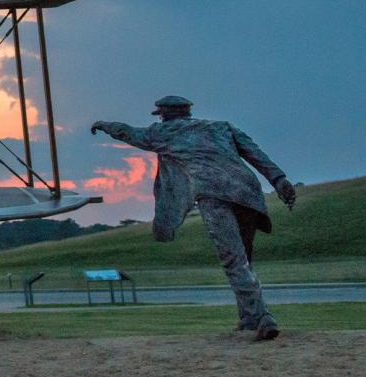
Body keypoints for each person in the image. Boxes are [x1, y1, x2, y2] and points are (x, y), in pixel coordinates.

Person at [91, 95, 299, 341]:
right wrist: (278, 179)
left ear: (163, 114)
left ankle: (263, 317)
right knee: (243, 258)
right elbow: (256, 154)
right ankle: (249, 318)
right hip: (247, 192)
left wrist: (103, 124)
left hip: (213, 195)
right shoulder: (221, 127)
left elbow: (129, 133)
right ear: (187, 112)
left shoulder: (162, 133)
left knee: (234, 260)